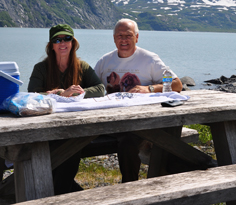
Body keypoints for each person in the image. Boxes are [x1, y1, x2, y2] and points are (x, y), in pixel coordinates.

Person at [94, 18, 182, 182]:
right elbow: (90, 87)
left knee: (128, 143)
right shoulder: (104, 61)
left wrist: (149, 88)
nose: (124, 40)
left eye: (128, 35)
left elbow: (177, 84)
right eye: (119, 36)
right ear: (114, 38)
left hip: (141, 122)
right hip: (111, 121)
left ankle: (130, 188)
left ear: (137, 37)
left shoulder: (150, 59)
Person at [28, 23, 105, 195]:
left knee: (71, 146)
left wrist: (79, 93)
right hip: (46, 129)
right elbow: (32, 95)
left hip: (76, 127)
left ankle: (60, 194)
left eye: (67, 38)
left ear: (73, 43)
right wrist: (61, 93)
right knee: (64, 150)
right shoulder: (41, 68)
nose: (63, 43)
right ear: (51, 46)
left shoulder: (82, 66)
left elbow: (100, 88)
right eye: (57, 40)